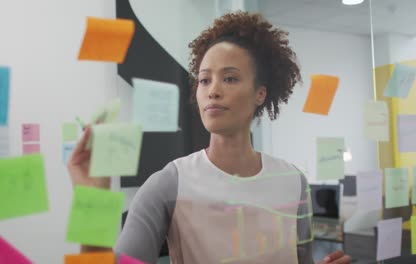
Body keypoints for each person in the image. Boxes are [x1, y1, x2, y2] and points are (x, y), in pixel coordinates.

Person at [68, 11, 351, 264]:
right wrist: (91, 201)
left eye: (229, 78)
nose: (213, 91)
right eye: (205, 80)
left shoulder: (293, 182)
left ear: (260, 93)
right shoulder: (169, 184)